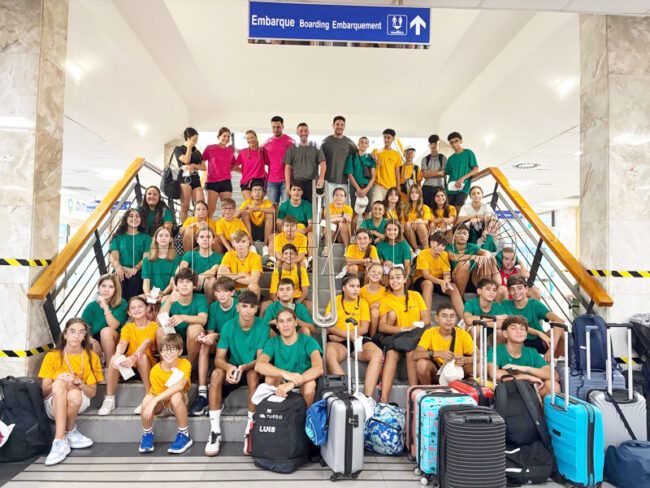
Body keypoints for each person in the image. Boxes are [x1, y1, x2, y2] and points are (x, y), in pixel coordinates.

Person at [204, 291, 270, 456]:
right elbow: (219, 358)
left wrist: (244, 367)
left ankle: (250, 430)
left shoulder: (263, 325)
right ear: (237, 307)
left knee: (253, 375)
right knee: (216, 374)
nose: (248, 311)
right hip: (234, 368)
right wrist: (228, 368)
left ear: (257, 309)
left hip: (251, 368)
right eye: (244, 306)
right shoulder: (228, 326)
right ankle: (215, 431)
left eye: (252, 307)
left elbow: (260, 360)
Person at [39, 318, 103, 466]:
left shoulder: (91, 357)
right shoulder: (52, 356)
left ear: (85, 336)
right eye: (72, 331)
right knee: (60, 384)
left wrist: (79, 383)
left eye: (81, 332)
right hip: (53, 403)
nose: (76, 336)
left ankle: (63, 438)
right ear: (65, 334)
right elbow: (44, 392)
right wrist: (58, 381)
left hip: (79, 400)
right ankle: (63, 437)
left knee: (74, 393)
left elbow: (92, 393)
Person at [98, 297, 157, 416]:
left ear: (147, 308)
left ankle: (149, 396)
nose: (137, 309)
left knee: (142, 357)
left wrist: (135, 357)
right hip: (130, 365)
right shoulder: (128, 327)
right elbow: (122, 343)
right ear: (129, 313)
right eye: (133, 308)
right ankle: (109, 399)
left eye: (140, 306)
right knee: (114, 358)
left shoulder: (154, 326)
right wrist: (118, 353)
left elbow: (147, 342)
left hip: (146, 365)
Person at [325, 275, 383, 397]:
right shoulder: (334, 301)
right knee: (329, 355)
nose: (356, 289)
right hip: (338, 341)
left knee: (377, 354)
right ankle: (347, 393)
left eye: (358, 286)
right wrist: (347, 336)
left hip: (356, 337)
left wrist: (346, 336)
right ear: (344, 288)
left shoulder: (363, 303)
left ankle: (367, 397)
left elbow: (364, 328)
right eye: (352, 286)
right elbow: (329, 326)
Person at [378, 267, 430, 403]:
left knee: (410, 351)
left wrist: (414, 326)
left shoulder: (415, 295)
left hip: (414, 336)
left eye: (398, 277)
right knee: (391, 354)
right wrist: (403, 329)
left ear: (405, 279)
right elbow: (382, 326)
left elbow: (426, 319)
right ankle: (383, 400)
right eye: (391, 278)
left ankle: (412, 397)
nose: (394, 281)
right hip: (398, 337)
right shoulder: (386, 299)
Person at [189, 276, 239, 417]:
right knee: (204, 345)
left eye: (225, 291)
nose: (221, 295)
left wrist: (215, 336)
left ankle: (217, 395)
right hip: (220, 343)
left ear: (232, 292)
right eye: (218, 291)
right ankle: (202, 391)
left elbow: (235, 334)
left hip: (235, 346)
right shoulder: (213, 307)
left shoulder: (238, 306)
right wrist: (207, 338)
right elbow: (211, 331)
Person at [255, 308, 324, 407]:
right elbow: (259, 365)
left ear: (295, 323)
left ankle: (307, 414)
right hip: (282, 382)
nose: (285, 325)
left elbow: (319, 368)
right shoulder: (273, 342)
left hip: (303, 381)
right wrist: (286, 374)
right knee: (270, 378)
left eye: (289, 320)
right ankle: (275, 412)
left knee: (310, 385)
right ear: (277, 325)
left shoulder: (308, 341)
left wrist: (292, 383)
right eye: (281, 321)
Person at [139, 333, 193, 454]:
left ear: (180, 351)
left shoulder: (185, 363)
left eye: (172, 349)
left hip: (178, 404)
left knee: (176, 395)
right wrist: (153, 401)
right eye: (165, 350)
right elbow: (156, 395)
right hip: (162, 405)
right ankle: (147, 434)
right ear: (161, 352)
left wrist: (155, 400)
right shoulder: (155, 370)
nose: (168, 353)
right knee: (147, 400)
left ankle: (184, 434)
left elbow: (180, 386)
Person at [488, 316, 559, 399]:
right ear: (505, 333)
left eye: (522, 329)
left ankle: (544, 408)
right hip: (507, 392)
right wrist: (526, 377)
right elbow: (494, 374)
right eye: (513, 328)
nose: (519, 331)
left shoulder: (531, 352)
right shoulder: (496, 351)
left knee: (553, 385)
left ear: (526, 335)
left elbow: (554, 375)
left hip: (530, 391)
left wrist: (526, 369)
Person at [501, 275, 565, 360]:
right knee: (502, 333)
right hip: (518, 340)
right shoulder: (505, 305)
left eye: (519, 288)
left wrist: (552, 348)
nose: (516, 292)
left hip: (539, 341)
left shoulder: (534, 304)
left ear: (526, 289)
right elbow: (515, 324)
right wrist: (539, 333)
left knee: (561, 331)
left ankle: (553, 360)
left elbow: (559, 320)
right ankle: (506, 360)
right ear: (508, 291)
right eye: (512, 289)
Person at [157, 269, 208, 371]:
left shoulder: (200, 298)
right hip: (174, 337)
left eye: (188, 282)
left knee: (196, 328)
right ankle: (166, 367)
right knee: (160, 330)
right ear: (176, 285)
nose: (184, 285)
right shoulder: (169, 299)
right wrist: (169, 302)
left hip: (192, 339)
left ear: (194, 286)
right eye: (181, 282)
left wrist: (182, 317)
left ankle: (188, 366)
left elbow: (203, 320)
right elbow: (159, 322)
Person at [413, 304, 475, 384]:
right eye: (444, 316)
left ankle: (467, 386)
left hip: (457, 371)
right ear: (437, 318)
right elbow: (416, 355)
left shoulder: (463, 334)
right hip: (437, 372)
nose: (449, 319)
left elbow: (480, 357)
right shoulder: (430, 333)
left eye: (452, 316)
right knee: (421, 364)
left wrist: (465, 360)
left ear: (456, 319)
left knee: (477, 366)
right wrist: (437, 353)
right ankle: (428, 389)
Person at [413, 232, 464, 318]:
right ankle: (426, 318)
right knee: (428, 284)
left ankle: (464, 318)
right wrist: (441, 282)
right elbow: (426, 275)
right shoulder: (423, 254)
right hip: (421, 280)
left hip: (438, 280)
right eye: (438, 244)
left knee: (453, 287)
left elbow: (446, 273)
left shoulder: (444, 254)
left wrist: (446, 281)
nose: (441, 247)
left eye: (443, 246)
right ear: (432, 243)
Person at [82, 274, 128, 364]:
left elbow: (113, 326)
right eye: (103, 286)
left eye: (111, 287)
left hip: (116, 339)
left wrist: (105, 306)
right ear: (99, 288)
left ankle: (109, 366)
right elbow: (82, 328)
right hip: (96, 338)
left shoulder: (121, 303)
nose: (106, 290)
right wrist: (93, 341)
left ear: (116, 289)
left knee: (105, 331)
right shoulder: (91, 306)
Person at [446, 224, 500, 296]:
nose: (462, 235)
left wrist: (484, 257)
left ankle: (484, 294)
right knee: (465, 264)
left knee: (486, 260)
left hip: (473, 277)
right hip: (457, 276)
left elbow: (487, 252)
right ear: (454, 236)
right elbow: (454, 257)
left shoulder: (472, 246)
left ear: (468, 236)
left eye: (465, 233)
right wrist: (473, 256)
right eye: (459, 233)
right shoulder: (449, 247)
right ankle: (461, 297)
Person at [109, 208, 152, 299]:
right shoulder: (117, 237)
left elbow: (146, 258)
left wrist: (135, 268)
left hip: (138, 272)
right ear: (126, 219)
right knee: (119, 277)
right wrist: (119, 267)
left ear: (141, 220)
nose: (134, 218)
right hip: (121, 270)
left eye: (137, 216)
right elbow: (114, 257)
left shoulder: (147, 238)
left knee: (134, 280)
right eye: (131, 216)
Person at [283, 122, 326, 203]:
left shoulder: (316, 147)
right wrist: (288, 185)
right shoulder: (291, 149)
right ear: (297, 133)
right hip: (297, 183)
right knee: (297, 206)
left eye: (305, 131)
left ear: (308, 132)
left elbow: (323, 163)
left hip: (312, 183)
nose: (303, 133)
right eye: (301, 131)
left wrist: (321, 178)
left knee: (312, 207)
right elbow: (287, 167)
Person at [264, 244, 311, 315]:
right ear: (282, 256)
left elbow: (305, 291)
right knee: (265, 305)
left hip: (296, 298)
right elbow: (273, 293)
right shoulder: (277, 271)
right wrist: (281, 305)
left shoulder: (301, 271)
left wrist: (295, 304)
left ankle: (311, 322)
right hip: (281, 298)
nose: (288, 256)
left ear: (296, 256)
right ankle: (262, 322)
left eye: (292, 253)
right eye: (286, 253)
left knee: (309, 305)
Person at [179, 227, 222, 299]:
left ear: (213, 240)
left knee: (211, 280)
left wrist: (202, 276)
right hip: (191, 286)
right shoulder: (189, 254)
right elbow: (182, 269)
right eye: (202, 237)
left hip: (208, 290)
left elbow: (213, 271)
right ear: (197, 240)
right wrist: (195, 279)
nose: (205, 239)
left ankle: (209, 305)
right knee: (177, 275)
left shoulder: (219, 257)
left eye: (208, 237)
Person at [217, 230, 262, 298]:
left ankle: (251, 305)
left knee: (254, 287)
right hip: (231, 289)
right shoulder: (228, 255)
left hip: (247, 290)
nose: (240, 245)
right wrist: (242, 274)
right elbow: (220, 276)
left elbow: (254, 280)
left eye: (243, 241)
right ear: (233, 243)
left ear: (248, 242)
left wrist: (232, 278)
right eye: (237, 242)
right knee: (220, 285)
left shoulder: (256, 257)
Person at [142, 226, 181, 304]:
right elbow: (146, 281)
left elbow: (172, 282)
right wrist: (147, 293)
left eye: (166, 236)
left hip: (167, 293)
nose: (163, 238)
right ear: (156, 239)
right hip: (152, 293)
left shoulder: (176, 259)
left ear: (171, 239)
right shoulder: (147, 259)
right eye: (160, 235)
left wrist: (163, 293)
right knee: (138, 300)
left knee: (164, 300)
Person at [174, 127, 206, 223]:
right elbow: (186, 160)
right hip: (184, 179)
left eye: (197, 138)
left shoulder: (197, 151)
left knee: (201, 205)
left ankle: (200, 227)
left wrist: (194, 165)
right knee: (185, 206)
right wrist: (189, 147)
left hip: (196, 179)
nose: (196, 141)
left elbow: (204, 167)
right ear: (188, 138)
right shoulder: (178, 149)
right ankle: (184, 228)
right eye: (194, 139)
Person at [202, 127, 236, 218]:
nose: (226, 138)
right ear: (219, 136)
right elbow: (201, 160)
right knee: (210, 210)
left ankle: (225, 227)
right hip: (212, 182)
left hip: (226, 182)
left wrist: (227, 170)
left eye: (228, 136)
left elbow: (234, 165)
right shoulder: (210, 148)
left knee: (227, 209)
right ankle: (207, 227)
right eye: (224, 136)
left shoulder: (230, 151)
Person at [321, 115, 357, 199]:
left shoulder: (350, 144)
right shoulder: (325, 142)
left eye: (342, 125)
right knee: (328, 205)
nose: (339, 127)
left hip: (344, 182)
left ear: (344, 126)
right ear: (333, 126)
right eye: (337, 124)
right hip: (328, 181)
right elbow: (320, 162)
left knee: (342, 205)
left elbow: (359, 158)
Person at [262, 115, 295, 206]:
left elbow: (294, 162)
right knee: (272, 208)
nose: (276, 129)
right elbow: (259, 159)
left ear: (282, 126)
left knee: (286, 207)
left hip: (286, 180)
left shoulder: (290, 142)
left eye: (278, 127)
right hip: (271, 181)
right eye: (273, 127)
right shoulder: (267, 143)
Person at [238, 180, 274, 253]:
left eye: (259, 190)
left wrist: (258, 208)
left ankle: (265, 245)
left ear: (263, 193)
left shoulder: (267, 202)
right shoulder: (247, 202)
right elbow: (235, 216)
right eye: (255, 190)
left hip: (263, 230)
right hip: (250, 230)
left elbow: (273, 211)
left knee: (269, 214)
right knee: (245, 214)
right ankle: (251, 244)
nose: (257, 192)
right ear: (251, 193)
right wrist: (246, 208)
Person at [445, 132, 479, 210]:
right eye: (451, 142)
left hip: (463, 187)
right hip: (450, 189)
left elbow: (475, 169)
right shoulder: (450, 158)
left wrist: (463, 178)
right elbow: (446, 172)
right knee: (449, 210)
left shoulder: (468, 153)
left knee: (459, 208)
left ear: (461, 141)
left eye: (456, 141)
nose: (454, 144)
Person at [345, 136, 376, 217]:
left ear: (368, 145)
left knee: (367, 213)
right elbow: (350, 174)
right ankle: (353, 226)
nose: (363, 144)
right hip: (355, 187)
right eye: (362, 142)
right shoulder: (352, 157)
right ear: (358, 144)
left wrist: (366, 189)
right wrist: (358, 189)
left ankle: (366, 226)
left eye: (366, 143)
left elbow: (373, 177)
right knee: (354, 212)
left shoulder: (370, 158)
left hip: (367, 187)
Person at [234, 130, 267, 202]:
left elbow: (270, 163)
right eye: (248, 138)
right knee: (249, 204)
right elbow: (235, 167)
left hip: (259, 181)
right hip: (245, 182)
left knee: (257, 205)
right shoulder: (243, 152)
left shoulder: (262, 151)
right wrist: (244, 172)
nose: (250, 140)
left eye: (252, 137)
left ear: (256, 138)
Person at [373, 129, 402, 203]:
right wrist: (375, 160)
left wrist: (398, 186)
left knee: (389, 207)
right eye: (384, 137)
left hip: (391, 186)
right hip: (378, 185)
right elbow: (371, 166)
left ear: (393, 139)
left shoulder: (396, 154)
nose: (386, 140)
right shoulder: (376, 151)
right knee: (377, 205)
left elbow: (397, 173)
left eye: (388, 137)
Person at [403, 185, 433, 252]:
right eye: (412, 192)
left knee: (420, 224)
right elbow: (403, 223)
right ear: (409, 195)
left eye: (416, 192)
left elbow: (427, 221)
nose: (414, 194)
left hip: (423, 232)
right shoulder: (405, 208)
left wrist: (419, 221)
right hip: (409, 232)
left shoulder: (425, 207)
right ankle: (416, 249)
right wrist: (412, 223)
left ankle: (426, 249)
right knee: (407, 224)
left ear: (420, 195)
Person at [420, 134, 447, 208]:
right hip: (427, 188)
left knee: (439, 209)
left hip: (440, 187)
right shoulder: (425, 159)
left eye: (435, 143)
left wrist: (430, 173)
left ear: (439, 144)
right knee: (426, 209)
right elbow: (425, 175)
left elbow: (444, 173)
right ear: (429, 145)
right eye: (431, 143)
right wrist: (439, 173)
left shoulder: (443, 158)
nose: (433, 145)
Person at [360, 263, 386, 338]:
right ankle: (368, 335)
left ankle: (373, 336)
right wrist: (369, 308)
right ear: (368, 274)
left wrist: (380, 303)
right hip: (365, 318)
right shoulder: (361, 291)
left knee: (375, 311)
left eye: (379, 273)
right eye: (373, 271)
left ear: (381, 277)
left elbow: (388, 303)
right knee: (373, 311)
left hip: (380, 319)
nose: (376, 274)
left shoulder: (385, 291)